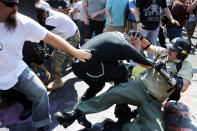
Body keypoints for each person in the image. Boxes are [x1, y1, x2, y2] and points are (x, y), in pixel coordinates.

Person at [55, 35, 193, 131]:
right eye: (170, 48)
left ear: (182, 54)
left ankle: (124, 127)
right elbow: (149, 47)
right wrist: (139, 37)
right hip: (140, 87)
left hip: (154, 101)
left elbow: (183, 86)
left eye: (173, 50)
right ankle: (74, 114)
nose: (169, 50)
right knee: (113, 93)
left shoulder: (184, 66)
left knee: (154, 129)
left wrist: (165, 73)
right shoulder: (164, 53)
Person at [0, 0, 91, 131]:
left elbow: (50, 37)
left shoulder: (22, 21)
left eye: (17, 3)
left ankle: (42, 126)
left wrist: (75, 51)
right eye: (10, 3)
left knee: (41, 93)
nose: (15, 7)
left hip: (17, 69)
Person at [36, 7, 80, 91]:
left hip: (71, 38)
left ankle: (58, 81)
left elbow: (41, 34)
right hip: (69, 34)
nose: (40, 21)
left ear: (44, 15)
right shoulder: (46, 12)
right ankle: (80, 65)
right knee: (68, 56)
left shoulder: (51, 20)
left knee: (56, 58)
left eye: (40, 19)